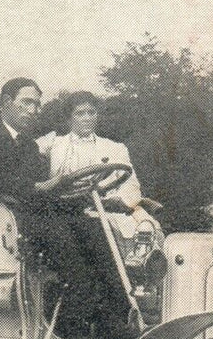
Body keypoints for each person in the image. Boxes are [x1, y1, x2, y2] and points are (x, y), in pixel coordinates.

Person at [0, 78, 133, 339]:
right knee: (63, 239)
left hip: (32, 212)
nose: (33, 110)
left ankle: (118, 316)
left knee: (97, 229)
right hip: (2, 217)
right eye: (26, 102)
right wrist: (41, 186)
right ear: (7, 102)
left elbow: (45, 189)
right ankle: (74, 325)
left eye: (37, 104)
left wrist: (80, 193)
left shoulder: (28, 145)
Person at [44, 93, 160, 242]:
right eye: (80, 113)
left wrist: (121, 201)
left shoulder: (115, 148)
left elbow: (131, 184)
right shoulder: (54, 144)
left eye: (91, 112)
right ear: (69, 117)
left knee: (148, 227)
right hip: (67, 210)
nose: (87, 118)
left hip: (109, 208)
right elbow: (26, 149)